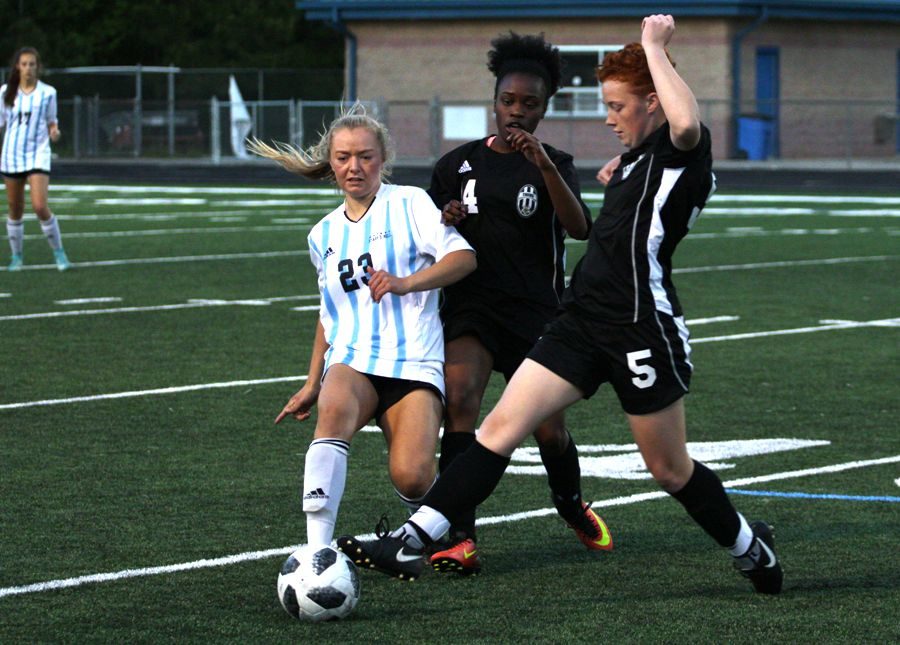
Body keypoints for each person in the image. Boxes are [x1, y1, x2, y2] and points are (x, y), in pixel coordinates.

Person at [337, 15, 783, 595]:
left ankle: (751, 547)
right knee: (499, 426)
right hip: (578, 319)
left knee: (669, 468)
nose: (608, 116)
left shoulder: (682, 152)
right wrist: (617, 167)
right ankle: (413, 540)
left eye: (618, 106)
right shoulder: (637, 160)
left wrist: (654, 48)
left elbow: (686, 122)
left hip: (639, 325)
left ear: (653, 101)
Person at [422, 31, 608, 576]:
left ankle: (570, 504)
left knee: (548, 427)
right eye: (509, 101)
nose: (517, 112)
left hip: (537, 313)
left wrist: (544, 165)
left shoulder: (557, 163)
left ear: (546, 107)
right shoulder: (455, 165)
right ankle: (460, 536)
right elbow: (428, 236)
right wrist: (445, 220)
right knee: (461, 400)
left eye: (530, 104)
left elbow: (578, 229)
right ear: (495, 100)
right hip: (474, 308)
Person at [249, 105, 476, 549]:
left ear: (383, 158)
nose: (355, 167)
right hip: (352, 359)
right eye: (344, 157)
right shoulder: (323, 234)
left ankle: (427, 529)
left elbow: (463, 258)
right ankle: (317, 551)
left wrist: (407, 282)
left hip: (413, 360)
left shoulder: (410, 203)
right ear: (331, 162)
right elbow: (328, 313)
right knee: (331, 415)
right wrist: (313, 381)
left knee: (412, 477)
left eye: (366, 156)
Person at [1, 47, 70, 272]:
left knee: (40, 206)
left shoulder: (48, 92)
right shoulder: (5, 93)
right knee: (15, 207)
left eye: (32, 64)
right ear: (17, 67)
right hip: (12, 154)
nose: (28, 68)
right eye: (24, 64)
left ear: (37, 67)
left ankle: (59, 254)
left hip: (38, 153)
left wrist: (55, 132)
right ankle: (17, 257)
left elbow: (52, 121)